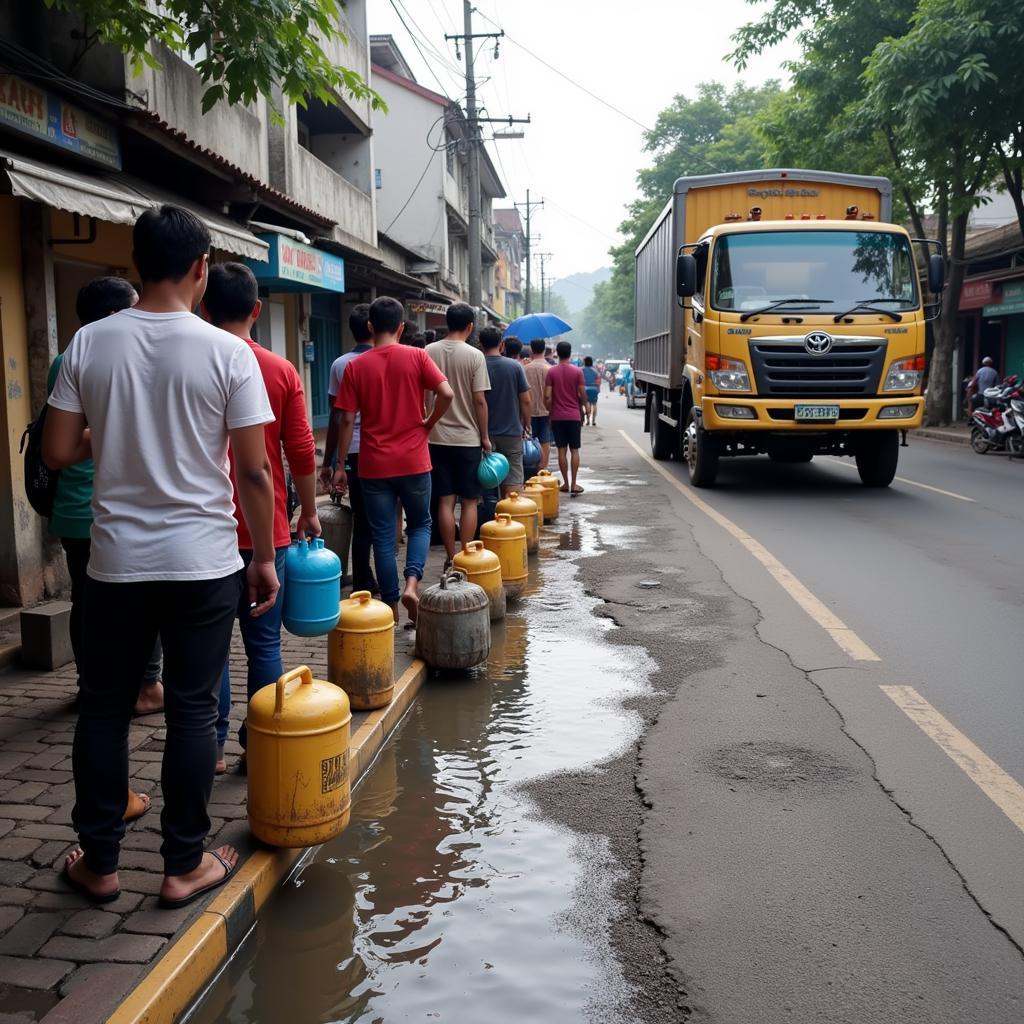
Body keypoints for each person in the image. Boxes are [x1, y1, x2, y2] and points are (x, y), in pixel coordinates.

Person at [44, 204, 278, 908]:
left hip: (115, 565)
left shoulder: (90, 343)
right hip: (205, 564)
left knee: (106, 710)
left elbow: (57, 450)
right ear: (202, 269)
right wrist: (264, 557)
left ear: (135, 265)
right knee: (191, 709)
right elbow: (254, 471)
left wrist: (108, 433)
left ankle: (100, 864)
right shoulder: (228, 352)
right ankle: (183, 866)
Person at [47, 277, 160, 824]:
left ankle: (95, 685)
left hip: (78, 512)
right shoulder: (99, 355)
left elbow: (56, 446)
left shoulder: (73, 355)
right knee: (114, 630)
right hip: (103, 512)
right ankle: (131, 689)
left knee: (87, 611)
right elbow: (63, 446)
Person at [203, 262, 319, 774]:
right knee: (264, 643)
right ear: (256, 310)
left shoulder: (193, 362)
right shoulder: (279, 369)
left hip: (207, 531)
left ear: (205, 307)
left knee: (210, 651)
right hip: (266, 530)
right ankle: (262, 743)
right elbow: (300, 450)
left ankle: (214, 746)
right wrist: (309, 511)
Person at [333, 297, 454, 625]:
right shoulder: (417, 356)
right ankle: (413, 584)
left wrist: (341, 465)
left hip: (373, 465)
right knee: (420, 525)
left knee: (383, 535)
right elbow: (447, 393)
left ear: (370, 327)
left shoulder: (355, 366)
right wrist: (429, 422)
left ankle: (391, 609)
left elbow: (345, 420)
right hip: (414, 460)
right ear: (401, 327)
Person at [425, 303, 491, 567]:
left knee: (445, 500)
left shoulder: (428, 351)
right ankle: (467, 557)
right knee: (470, 501)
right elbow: (480, 401)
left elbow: (424, 394)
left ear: (446, 322)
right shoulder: (475, 356)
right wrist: (485, 436)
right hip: (467, 440)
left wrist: (426, 421)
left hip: (436, 438)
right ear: (470, 326)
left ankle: (450, 558)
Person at [321, 304, 377, 597]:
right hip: (385, 450)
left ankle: (363, 578)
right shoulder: (387, 358)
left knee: (362, 517)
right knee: (381, 519)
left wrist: (331, 461)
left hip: (353, 450)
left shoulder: (340, 364)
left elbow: (337, 416)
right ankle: (377, 581)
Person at [480, 328, 531, 498]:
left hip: (482, 434)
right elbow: (525, 400)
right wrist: (526, 423)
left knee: (486, 480)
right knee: (513, 480)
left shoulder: (477, 365)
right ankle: (510, 519)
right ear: (502, 345)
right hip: (511, 433)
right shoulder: (515, 366)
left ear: (481, 344)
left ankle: (489, 521)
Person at [545, 340, 587, 496]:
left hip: (557, 416)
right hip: (574, 416)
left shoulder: (552, 372)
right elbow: (582, 394)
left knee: (561, 450)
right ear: (570, 353)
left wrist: (549, 409)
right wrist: (584, 407)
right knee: (574, 450)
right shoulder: (577, 372)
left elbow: (547, 396)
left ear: (557, 352)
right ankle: (575, 484)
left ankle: (566, 483)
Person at [524, 338, 553, 470]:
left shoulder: (525, 369)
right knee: (545, 440)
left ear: (531, 350)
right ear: (544, 350)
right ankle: (543, 469)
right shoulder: (550, 369)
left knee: (529, 440)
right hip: (546, 410)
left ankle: (531, 467)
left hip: (528, 411)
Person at [582, 356, 600, 426]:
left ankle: (588, 420)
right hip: (594, 388)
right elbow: (598, 381)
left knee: (587, 403)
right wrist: (598, 389)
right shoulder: (595, 370)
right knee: (594, 404)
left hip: (585, 388)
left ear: (585, 362)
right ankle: (593, 421)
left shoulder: (582, 370)